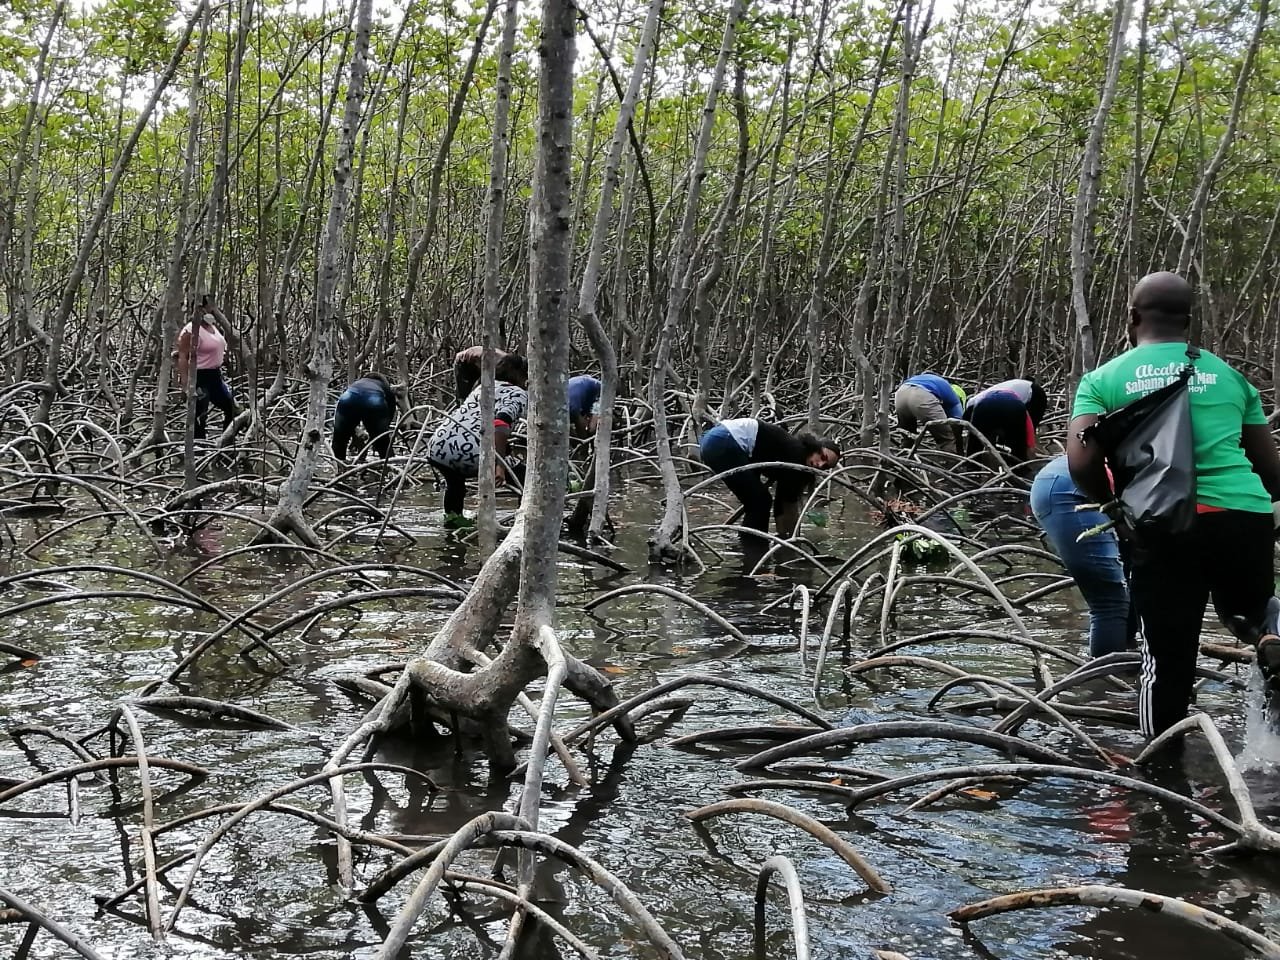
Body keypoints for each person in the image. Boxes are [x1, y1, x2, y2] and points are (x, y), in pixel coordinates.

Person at [1067, 270, 1280, 740]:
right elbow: (1271, 471)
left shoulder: (1103, 379)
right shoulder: (1229, 376)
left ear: (1132, 317)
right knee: (1249, 612)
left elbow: (1081, 463)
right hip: (1242, 516)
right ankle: (1268, 641)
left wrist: (1114, 509)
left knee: (1164, 658)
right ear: (1189, 321)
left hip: (1160, 523)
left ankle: (1159, 781)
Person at [1030, 455, 1133, 657]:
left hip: (1068, 481)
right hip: (1070, 491)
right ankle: (1107, 683)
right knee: (1109, 600)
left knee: (1135, 583)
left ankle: (1128, 661)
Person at [698, 418, 841, 541]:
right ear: (815, 448)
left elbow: (781, 503)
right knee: (760, 502)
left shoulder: (794, 456)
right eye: (822, 457)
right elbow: (788, 507)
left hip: (714, 439)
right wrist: (791, 539)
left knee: (756, 500)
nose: (820, 465)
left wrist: (784, 536)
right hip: (725, 441)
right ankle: (753, 549)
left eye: (826, 466)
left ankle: (748, 546)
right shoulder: (797, 456)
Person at [428, 354, 529, 523]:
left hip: (438, 448)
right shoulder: (518, 393)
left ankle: (453, 521)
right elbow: (501, 423)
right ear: (521, 375)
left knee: (455, 485)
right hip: (472, 452)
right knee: (526, 478)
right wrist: (500, 466)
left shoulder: (483, 387)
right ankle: (523, 523)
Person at [175, 299, 236, 440]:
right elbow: (182, 356)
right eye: (209, 307)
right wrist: (185, 385)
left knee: (231, 408)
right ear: (200, 309)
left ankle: (225, 442)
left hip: (214, 376)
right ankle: (199, 452)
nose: (212, 310)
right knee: (200, 416)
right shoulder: (190, 330)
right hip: (199, 377)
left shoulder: (212, 327)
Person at [964, 377, 1047, 462]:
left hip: (1034, 393)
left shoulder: (973, 405)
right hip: (1015, 402)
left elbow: (975, 433)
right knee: (1018, 437)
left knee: (976, 440)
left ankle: (972, 465)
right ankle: (1019, 463)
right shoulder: (979, 400)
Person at [333, 373, 399, 462]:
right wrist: (378, 433)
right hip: (374, 399)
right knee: (383, 442)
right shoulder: (384, 386)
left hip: (348, 397)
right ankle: (389, 468)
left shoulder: (357, 383)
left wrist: (353, 432)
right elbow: (390, 412)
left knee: (339, 439)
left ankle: (339, 466)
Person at [893, 372, 966, 451]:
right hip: (921, 396)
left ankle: (905, 456)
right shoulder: (951, 391)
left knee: (907, 434)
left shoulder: (926, 379)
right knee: (947, 438)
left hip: (900, 394)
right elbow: (957, 419)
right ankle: (952, 461)